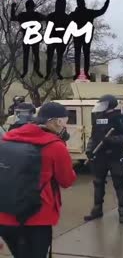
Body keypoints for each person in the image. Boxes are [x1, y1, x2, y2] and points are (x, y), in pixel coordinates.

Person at [0, 102, 77, 258]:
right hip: (37, 218)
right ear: (57, 121)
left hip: (6, 217)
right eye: (65, 121)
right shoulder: (56, 146)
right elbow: (67, 181)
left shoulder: (8, 139)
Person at [84, 94, 123, 224]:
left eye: (103, 103)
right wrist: (89, 150)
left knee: (119, 184)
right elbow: (93, 137)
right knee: (98, 183)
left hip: (116, 156)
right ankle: (97, 210)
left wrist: (113, 139)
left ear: (109, 104)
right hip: (100, 156)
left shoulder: (120, 119)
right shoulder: (98, 118)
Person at [70, 0, 111, 80]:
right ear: (84, 3)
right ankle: (85, 73)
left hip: (78, 37)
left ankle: (79, 73)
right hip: (86, 37)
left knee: (78, 55)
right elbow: (102, 11)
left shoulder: (74, 14)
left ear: (78, 4)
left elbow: (64, 20)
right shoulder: (89, 13)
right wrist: (107, 0)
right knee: (86, 54)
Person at [10, 0, 45, 78]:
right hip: (34, 38)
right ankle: (35, 70)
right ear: (32, 7)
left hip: (27, 38)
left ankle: (26, 71)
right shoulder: (36, 15)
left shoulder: (23, 15)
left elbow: (13, 18)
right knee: (35, 55)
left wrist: (12, 7)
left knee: (27, 55)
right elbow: (47, 18)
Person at [45, 0, 71, 80]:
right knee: (53, 57)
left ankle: (53, 73)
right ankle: (51, 73)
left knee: (54, 57)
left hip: (57, 40)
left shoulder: (53, 16)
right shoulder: (65, 17)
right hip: (56, 40)